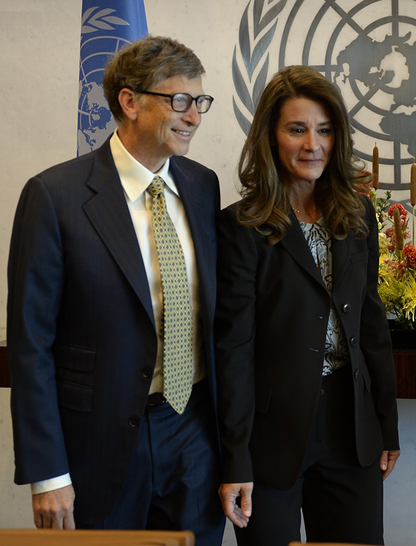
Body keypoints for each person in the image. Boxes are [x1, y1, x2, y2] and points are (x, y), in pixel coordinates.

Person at [7, 36, 226, 545]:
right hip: (99, 442)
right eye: (179, 101)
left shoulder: (202, 186)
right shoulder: (54, 196)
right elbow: (30, 345)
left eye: (200, 101)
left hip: (193, 431)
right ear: (129, 102)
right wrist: (48, 473)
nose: (194, 116)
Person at [215, 65, 400, 546]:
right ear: (270, 137)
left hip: (351, 427)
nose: (312, 144)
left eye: (324, 130)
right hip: (270, 436)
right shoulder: (241, 227)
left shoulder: (357, 213)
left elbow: (371, 322)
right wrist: (235, 456)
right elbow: (233, 348)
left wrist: (387, 424)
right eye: (296, 129)